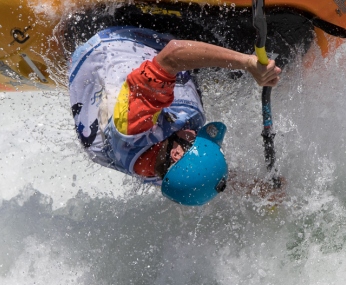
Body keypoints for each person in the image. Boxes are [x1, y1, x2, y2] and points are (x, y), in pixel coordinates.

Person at [65, 4, 311, 206]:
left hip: (129, 29)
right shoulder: (165, 171)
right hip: (138, 71)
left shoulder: (134, 125)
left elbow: (174, 54)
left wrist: (248, 63)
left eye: (195, 140)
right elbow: (209, 177)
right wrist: (262, 190)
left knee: (265, 46)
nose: (195, 133)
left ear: (176, 153)